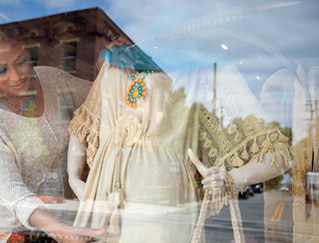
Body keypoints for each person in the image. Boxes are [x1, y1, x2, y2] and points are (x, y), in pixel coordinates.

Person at [67, 45, 293, 242]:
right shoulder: (116, 58)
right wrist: (74, 179)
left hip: (160, 200)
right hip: (100, 197)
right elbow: (82, 123)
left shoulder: (207, 66)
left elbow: (280, 155)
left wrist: (231, 178)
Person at [0, 14, 105, 242]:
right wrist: (58, 229)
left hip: (62, 226)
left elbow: (103, 97)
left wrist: (108, 64)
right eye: (1, 70)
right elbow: (11, 190)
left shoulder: (52, 80)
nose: (17, 76)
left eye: (21, 61)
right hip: (2, 231)